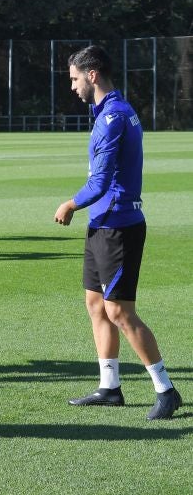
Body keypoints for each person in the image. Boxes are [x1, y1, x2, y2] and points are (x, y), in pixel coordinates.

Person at [54, 45, 181, 420]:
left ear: (92, 75)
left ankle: (166, 389)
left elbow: (101, 180)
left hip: (119, 226)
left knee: (120, 311)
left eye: (75, 78)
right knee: (96, 306)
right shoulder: (108, 111)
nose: (72, 86)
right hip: (102, 224)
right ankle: (109, 387)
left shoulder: (114, 117)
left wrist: (70, 204)